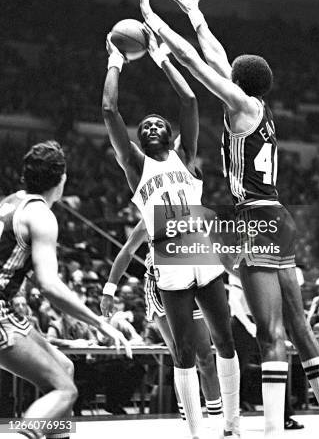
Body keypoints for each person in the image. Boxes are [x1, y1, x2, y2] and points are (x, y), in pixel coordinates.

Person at [136, 0, 319, 439]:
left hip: (254, 218)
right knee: (298, 322)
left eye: (230, 69)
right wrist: (195, 15)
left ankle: (272, 430)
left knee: (271, 330)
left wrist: (155, 24)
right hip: (279, 215)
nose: (224, 65)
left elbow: (196, 61)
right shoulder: (260, 108)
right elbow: (213, 52)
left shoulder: (240, 105)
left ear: (238, 81)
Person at [102, 31, 240, 439]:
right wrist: (115, 61)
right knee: (183, 351)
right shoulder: (135, 166)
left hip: (200, 249)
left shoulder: (186, 157)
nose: (153, 126)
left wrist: (162, 55)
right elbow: (109, 110)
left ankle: (231, 424)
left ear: (172, 134)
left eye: (160, 123)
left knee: (223, 341)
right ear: (138, 141)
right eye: (146, 126)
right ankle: (197, 433)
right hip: (169, 259)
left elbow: (191, 102)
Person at [0, 140, 131, 439]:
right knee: (64, 390)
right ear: (61, 179)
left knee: (64, 367)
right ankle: (24, 435)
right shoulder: (42, 215)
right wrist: (99, 323)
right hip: (1, 313)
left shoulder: (11, 201)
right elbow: (49, 285)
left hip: (8, 309)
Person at [100, 219, 224, 428]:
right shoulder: (150, 215)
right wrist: (109, 289)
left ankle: (217, 419)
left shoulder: (191, 211)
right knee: (182, 355)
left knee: (205, 356)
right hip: (160, 286)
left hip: (192, 280)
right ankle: (189, 422)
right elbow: (127, 251)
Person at [228, 274, 304, 430]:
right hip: (243, 324)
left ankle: (284, 417)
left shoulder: (269, 268)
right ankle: (228, 419)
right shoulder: (239, 265)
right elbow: (234, 300)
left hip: (265, 322)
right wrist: (248, 326)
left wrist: (279, 333)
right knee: (234, 372)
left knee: (278, 366)